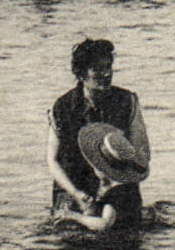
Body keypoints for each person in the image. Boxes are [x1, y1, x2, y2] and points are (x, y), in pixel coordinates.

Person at [47, 39, 150, 227]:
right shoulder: (62, 107)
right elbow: (52, 161)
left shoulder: (127, 101)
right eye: (97, 69)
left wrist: (112, 181)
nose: (107, 74)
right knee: (64, 230)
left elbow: (141, 155)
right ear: (81, 74)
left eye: (108, 66)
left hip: (117, 181)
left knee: (121, 230)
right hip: (74, 184)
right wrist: (76, 193)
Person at [56, 122, 149, 232]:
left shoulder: (115, 194)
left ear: (104, 169)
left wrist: (74, 216)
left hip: (117, 245)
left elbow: (104, 224)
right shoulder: (130, 187)